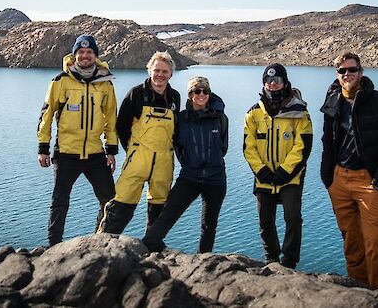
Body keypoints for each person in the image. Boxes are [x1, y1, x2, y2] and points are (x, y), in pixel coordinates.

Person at [320, 52, 378, 291]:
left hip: (369, 182)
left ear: (361, 72)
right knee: (352, 244)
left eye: (352, 69)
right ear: (337, 75)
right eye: (342, 71)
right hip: (339, 180)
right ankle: (359, 294)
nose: (347, 74)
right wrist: (327, 177)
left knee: (375, 244)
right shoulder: (333, 100)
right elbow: (328, 141)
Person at [37, 34, 118, 247]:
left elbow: (111, 118)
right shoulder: (60, 81)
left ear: (95, 56)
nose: (85, 56)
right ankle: (53, 246)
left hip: (95, 153)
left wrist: (111, 150)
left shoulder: (105, 83)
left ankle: (100, 240)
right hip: (65, 153)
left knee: (110, 200)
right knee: (59, 202)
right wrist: (43, 148)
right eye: (80, 52)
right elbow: (46, 114)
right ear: (74, 55)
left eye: (89, 52)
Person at [97, 51, 180, 234]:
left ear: (171, 74)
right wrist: (132, 150)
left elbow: (176, 131)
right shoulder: (136, 94)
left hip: (164, 162)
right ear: (149, 70)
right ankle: (103, 242)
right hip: (138, 159)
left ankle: (153, 245)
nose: (160, 75)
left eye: (165, 71)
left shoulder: (174, 97)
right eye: (156, 70)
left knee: (159, 206)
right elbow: (121, 126)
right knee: (122, 202)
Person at [142, 76, 228, 253]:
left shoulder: (220, 118)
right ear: (190, 94)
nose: (201, 94)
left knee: (209, 225)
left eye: (205, 91)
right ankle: (147, 247)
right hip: (190, 177)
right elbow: (177, 146)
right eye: (197, 91)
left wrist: (211, 162)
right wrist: (191, 164)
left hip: (216, 178)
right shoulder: (181, 119)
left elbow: (223, 145)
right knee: (168, 215)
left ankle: (203, 261)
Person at [243, 63, 313, 269]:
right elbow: (249, 146)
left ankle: (289, 261)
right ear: (264, 83)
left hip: (291, 177)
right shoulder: (254, 113)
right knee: (265, 222)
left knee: (293, 218)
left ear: (285, 83)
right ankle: (272, 259)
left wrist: (285, 171)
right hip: (263, 178)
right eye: (269, 81)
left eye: (277, 80)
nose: (272, 84)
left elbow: (303, 145)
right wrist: (262, 171)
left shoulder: (299, 111)